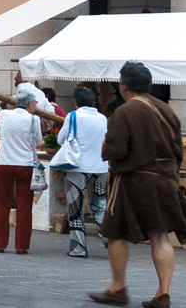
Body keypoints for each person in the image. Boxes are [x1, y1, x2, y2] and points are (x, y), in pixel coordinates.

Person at [88, 62, 186, 308]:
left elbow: (115, 150)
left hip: (134, 181)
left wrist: (105, 146)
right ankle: (163, 294)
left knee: (115, 232)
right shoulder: (168, 111)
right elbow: (178, 151)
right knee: (160, 237)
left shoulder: (125, 112)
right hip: (167, 179)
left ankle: (118, 289)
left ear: (124, 86)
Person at [0, 86, 43, 254]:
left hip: (4, 161)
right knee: (24, 205)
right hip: (25, 163)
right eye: (35, 102)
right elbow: (37, 141)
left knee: (2, 203)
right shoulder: (33, 119)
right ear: (30, 103)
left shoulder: (4, 115)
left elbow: (1, 135)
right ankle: (21, 244)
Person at [64, 87, 111, 258]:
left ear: (76, 102)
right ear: (93, 102)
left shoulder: (73, 116)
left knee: (75, 207)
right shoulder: (102, 118)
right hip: (100, 167)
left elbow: (61, 138)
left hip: (77, 167)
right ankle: (110, 241)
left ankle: (79, 247)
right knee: (99, 206)